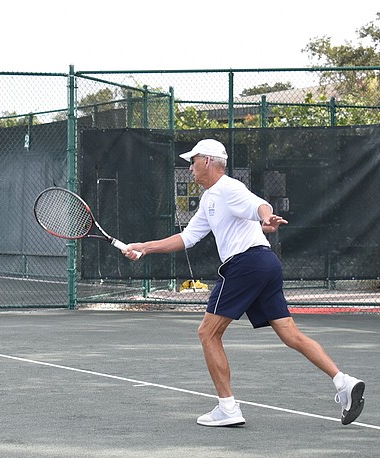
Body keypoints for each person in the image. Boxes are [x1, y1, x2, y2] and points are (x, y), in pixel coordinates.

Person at [123, 139, 365, 427]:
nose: (190, 168)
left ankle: (227, 408)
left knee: (208, 333)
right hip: (265, 264)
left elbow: (260, 204)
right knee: (290, 334)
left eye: (193, 161)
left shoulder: (229, 188)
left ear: (208, 161)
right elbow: (188, 237)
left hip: (246, 264)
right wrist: (145, 247)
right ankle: (343, 382)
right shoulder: (209, 198)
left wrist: (267, 217)